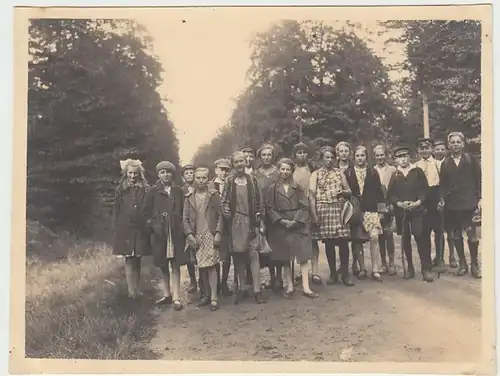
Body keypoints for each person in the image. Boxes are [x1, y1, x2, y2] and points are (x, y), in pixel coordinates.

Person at [266, 158, 319, 299]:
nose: (285, 172)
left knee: (303, 255)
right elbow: (270, 208)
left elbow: (304, 206)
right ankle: (289, 286)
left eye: (288, 169)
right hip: (281, 225)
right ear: (278, 170)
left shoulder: (298, 188)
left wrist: (296, 220)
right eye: (282, 169)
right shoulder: (273, 188)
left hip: (298, 224)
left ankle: (306, 287)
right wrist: (281, 221)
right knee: (285, 256)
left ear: (292, 171)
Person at [221, 151, 267, 304]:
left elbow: (260, 202)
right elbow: (224, 201)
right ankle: (242, 288)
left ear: (245, 163)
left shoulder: (252, 180)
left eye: (242, 161)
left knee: (253, 255)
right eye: (236, 162)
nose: (239, 164)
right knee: (238, 256)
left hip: (251, 221)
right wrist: (226, 210)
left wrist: (259, 220)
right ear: (233, 165)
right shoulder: (229, 181)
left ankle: (257, 290)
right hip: (235, 223)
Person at [143, 161, 187, 310]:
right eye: (162, 172)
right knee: (163, 263)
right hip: (160, 232)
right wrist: (153, 225)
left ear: (172, 174)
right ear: (158, 174)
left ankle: (176, 297)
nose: (165, 175)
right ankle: (167, 294)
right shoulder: (153, 191)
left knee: (175, 263)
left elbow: (183, 210)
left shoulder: (178, 191)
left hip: (174, 231)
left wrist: (180, 224)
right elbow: (146, 212)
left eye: (168, 172)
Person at [438, 132, 481, 278]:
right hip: (452, 205)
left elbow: (479, 180)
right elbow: (442, 184)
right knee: (456, 236)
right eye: (452, 142)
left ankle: (474, 265)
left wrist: (480, 199)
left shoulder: (471, 160)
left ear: (463, 143)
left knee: (472, 236)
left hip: (469, 204)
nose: (455, 145)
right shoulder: (445, 163)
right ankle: (462, 264)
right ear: (449, 145)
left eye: (458, 142)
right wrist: (442, 199)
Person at [387, 146, 434, 282]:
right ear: (396, 160)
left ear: (409, 157)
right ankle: (410, 268)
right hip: (402, 213)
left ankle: (426, 268)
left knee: (420, 236)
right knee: (405, 239)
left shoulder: (417, 171)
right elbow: (391, 194)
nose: (403, 160)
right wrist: (398, 203)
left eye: (405, 156)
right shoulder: (395, 175)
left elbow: (425, 190)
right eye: (399, 157)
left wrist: (418, 202)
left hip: (417, 210)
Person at [309, 146, 353, 286]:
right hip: (323, 210)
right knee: (329, 243)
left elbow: (349, 191)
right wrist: (314, 215)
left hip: (338, 209)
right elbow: (311, 196)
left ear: (335, 159)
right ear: (322, 159)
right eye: (326, 157)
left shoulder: (340, 173)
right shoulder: (316, 174)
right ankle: (333, 273)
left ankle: (345, 274)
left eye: (332, 157)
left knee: (343, 242)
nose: (329, 160)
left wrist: (342, 192)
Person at [183, 167, 223, 311]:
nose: (200, 181)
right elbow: (185, 219)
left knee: (211, 266)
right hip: (196, 236)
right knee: (201, 267)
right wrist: (189, 235)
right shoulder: (189, 197)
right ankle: (205, 294)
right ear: (194, 179)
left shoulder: (213, 195)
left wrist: (218, 233)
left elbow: (220, 216)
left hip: (210, 234)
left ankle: (214, 296)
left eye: (203, 178)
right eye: (198, 178)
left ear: (208, 179)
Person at [112, 159, 151, 298]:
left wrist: (147, 223)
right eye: (130, 173)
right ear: (125, 173)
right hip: (125, 227)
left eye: (135, 173)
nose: (133, 176)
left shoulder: (145, 188)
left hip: (140, 228)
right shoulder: (121, 189)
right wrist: (116, 226)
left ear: (139, 174)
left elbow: (149, 207)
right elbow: (116, 208)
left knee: (137, 258)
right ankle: (130, 291)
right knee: (129, 258)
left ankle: (137, 289)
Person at [345, 146, 385, 282]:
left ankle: (375, 268)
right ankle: (362, 268)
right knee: (357, 239)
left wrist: (381, 211)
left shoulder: (373, 172)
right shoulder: (349, 173)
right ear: (353, 157)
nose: (360, 158)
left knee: (374, 237)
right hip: (356, 211)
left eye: (362, 155)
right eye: (357, 156)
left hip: (371, 209)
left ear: (366, 157)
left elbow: (379, 193)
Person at [291, 142, 322, 286]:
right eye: (299, 152)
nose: (302, 155)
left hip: (312, 208)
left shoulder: (313, 169)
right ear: (294, 155)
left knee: (313, 241)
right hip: (296, 210)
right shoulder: (290, 170)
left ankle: (315, 272)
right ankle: (299, 272)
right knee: (297, 242)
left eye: (304, 152)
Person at [254, 143, 283, 292]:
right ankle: (271, 277)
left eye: (269, 155)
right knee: (266, 246)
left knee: (278, 245)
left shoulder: (278, 173)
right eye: (264, 155)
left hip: (276, 212)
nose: (266, 158)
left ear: (273, 156)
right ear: (260, 157)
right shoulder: (255, 173)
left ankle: (279, 277)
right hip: (262, 213)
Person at [415, 138, 445, 271]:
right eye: (422, 148)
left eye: (427, 148)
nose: (424, 150)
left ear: (431, 149)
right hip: (422, 198)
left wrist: (441, 199)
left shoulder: (438, 164)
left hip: (436, 196)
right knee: (424, 231)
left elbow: (443, 183)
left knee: (438, 230)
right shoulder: (416, 166)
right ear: (418, 150)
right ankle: (426, 261)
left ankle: (439, 259)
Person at [210, 158, 234, 296]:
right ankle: (215, 283)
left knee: (226, 255)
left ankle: (224, 282)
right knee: (214, 253)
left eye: (226, 170)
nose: (224, 172)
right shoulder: (210, 185)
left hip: (229, 223)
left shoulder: (231, 184)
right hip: (214, 222)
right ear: (216, 170)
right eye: (221, 169)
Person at [373, 145, 397, 275]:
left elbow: (396, 187)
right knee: (380, 235)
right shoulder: (372, 170)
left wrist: (393, 203)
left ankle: (392, 263)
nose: (380, 157)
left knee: (389, 235)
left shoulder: (393, 170)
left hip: (390, 204)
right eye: (377, 155)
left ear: (386, 155)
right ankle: (383, 263)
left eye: (382, 155)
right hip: (378, 206)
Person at [433, 139, 457, 268]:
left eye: (442, 149)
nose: (440, 152)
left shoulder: (449, 163)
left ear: (446, 150)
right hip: (435, 199)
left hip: (450, 198)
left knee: (451, 230)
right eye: (437, 149)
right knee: (438, 230)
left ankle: (452, 255)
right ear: (433, 151)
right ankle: (439, 256)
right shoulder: (431, 163)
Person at [181, 164, 199, 294]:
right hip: (188, 224)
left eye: (191, 172)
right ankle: (193, 280)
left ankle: (204, 281)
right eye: (186, 173)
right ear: (183, 177)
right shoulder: (181, 191)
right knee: (190, 256)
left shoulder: (200, 187)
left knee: (202, 253)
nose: (189, 175)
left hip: (200, 223)